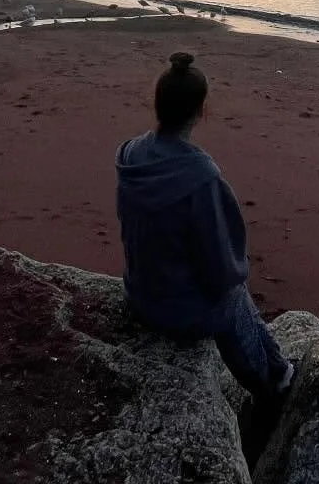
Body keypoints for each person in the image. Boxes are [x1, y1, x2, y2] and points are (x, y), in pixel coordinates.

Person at [115, 51, 293, 405]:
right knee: (233, 295)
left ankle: (278, 367)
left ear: (158, 103)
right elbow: (219, 267)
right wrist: (236, 272)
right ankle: (269, 385)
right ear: (201, 111)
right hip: (172, 308)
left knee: (233, 293)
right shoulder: (199, 177)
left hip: (140, 288)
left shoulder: (131, 155)